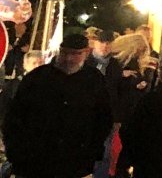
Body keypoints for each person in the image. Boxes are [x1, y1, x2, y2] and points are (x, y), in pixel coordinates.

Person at [2, 32, 113, 178]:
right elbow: (14, 117)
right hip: (35, 160)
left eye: (75, 54)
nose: (69, 58)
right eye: (65, 53)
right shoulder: (37, 78)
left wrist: (90, 152)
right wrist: (16, 152)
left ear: (86, 53)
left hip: (74, 160)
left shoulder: (94, 81)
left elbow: (103, 119)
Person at [103, 33, 156, 178]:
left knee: (123, 145)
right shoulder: (117, 63)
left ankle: (119, 170)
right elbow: (111, 86)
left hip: (129, 111)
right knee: (118, 145)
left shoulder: (137, 62)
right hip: (123, 111)